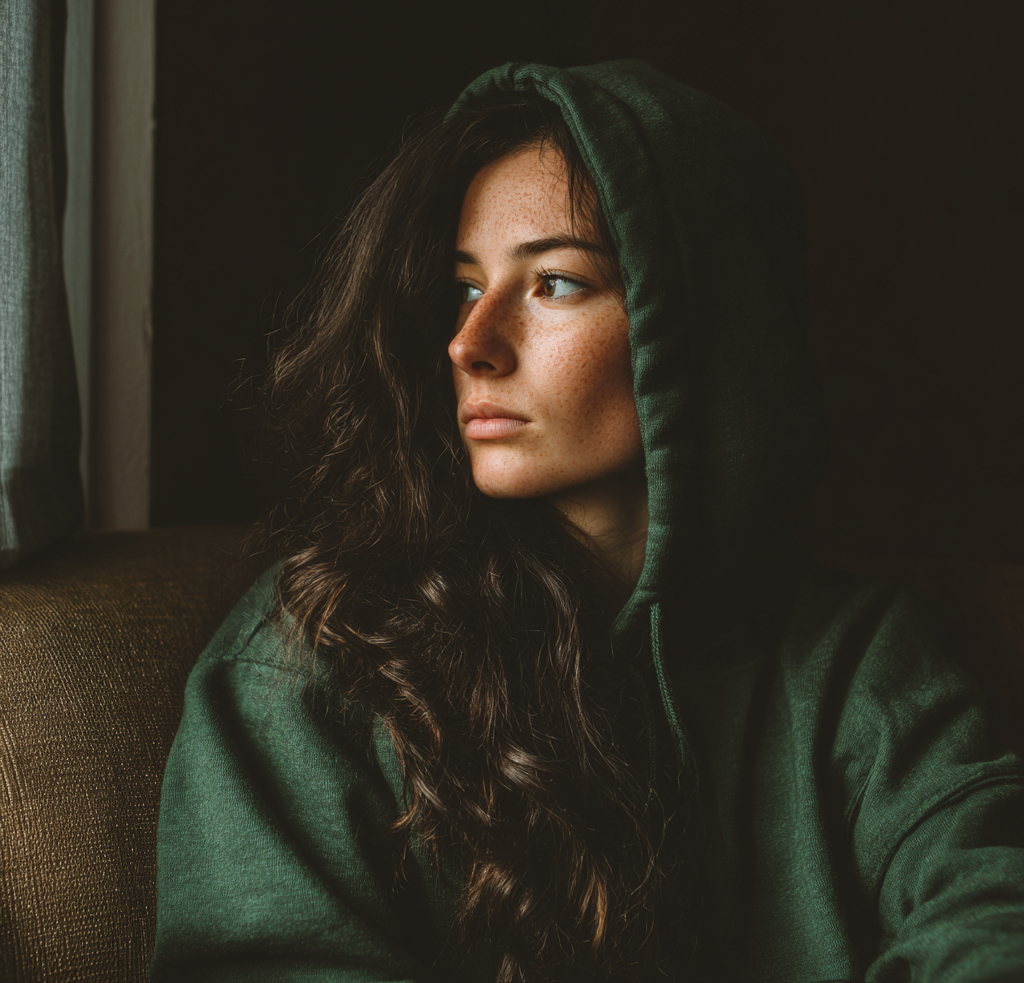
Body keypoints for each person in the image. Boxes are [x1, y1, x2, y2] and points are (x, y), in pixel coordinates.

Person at [149, 61, 1024, 982]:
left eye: (555, 283)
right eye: (462, 286)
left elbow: (995, 911)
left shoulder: (857, 660)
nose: (470, 343)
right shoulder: (315, 655)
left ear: (701, 323)